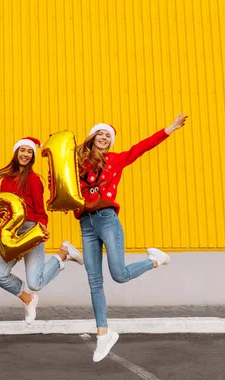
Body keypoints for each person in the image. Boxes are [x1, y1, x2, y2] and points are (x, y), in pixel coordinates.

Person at [65, 113, 188, 362]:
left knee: (119, 274)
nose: (104, 138)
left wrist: (169, 129)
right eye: (100, 133)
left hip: (107, 219)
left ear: (110, 142)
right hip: (86, 223)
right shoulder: (77, 163)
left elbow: (141, 147)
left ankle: (157, 260)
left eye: (108, 135)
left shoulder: (116, 160)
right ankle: (103, 335)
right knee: (94, 281)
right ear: (92, 137)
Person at [0, 137, 84, 324]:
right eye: (22, 150)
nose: (25, 154)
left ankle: (63, 254)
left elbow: (40, 210)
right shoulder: (4, 180)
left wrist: (42, 228)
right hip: (11, 232)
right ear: (16, 153)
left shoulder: (34, 180)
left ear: (32, 156)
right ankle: (28, 299)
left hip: (31, 230)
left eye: (29, 152)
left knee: (36, 282)